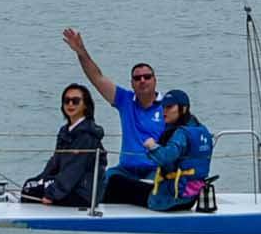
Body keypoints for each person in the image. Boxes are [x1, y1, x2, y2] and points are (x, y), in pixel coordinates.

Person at [63, 27, 163, 207]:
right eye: (137, 78)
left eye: (147, 77)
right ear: (132, 83)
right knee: (98, 185)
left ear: (155, 80)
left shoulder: (168, 106)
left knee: (151, 192)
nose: (142, 81)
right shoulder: (125, 100)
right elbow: (97, 78)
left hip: (155, 171)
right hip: (125, 170)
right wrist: (80, 51)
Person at [19, 84, 105, 208]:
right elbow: (55, 163)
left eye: (75, 101)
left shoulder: (87, 136)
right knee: (29, 185)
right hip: (70, 187)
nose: (70, 104)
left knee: (29, 191)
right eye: (66, 101)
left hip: (83, 194)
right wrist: (41, 179)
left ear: (85, 105)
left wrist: (51, 194)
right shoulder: (65, 131)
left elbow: (74, 170)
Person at [144, 90, 213, 212]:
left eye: (169, 107)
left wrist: (152, 146)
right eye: (163, 107)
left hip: (171, 198)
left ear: (184, 108)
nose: (164, 111)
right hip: (192, 196)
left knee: (118, 182)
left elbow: (166, 157)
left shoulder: (181, 133)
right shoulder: (202, 129)